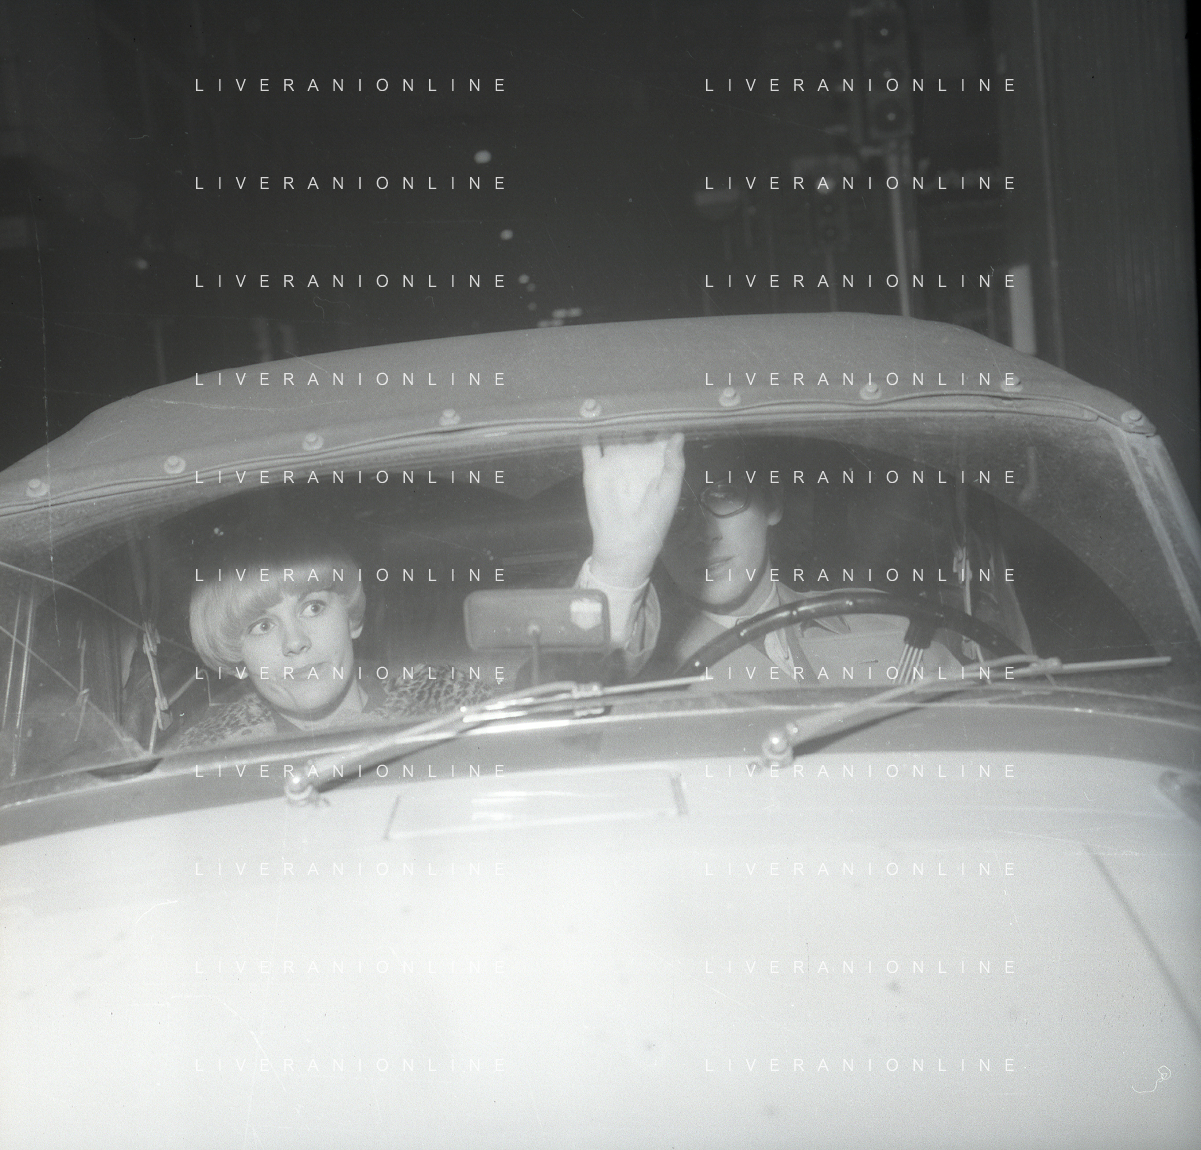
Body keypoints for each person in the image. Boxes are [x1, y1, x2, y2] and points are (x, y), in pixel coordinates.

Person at [577, 434, 963, 686]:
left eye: (724, 494)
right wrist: (618, 567)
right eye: (675, 513)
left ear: (773, 502)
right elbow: (566, 702)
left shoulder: (886, 626)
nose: (702, 533)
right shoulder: (632, 666)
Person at [176, 528, 492, 748]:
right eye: (262, 626)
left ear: (351, 619)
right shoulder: (207, 762)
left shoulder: (456, 712)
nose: (295, 642)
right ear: (237, 655)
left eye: (313, 608)